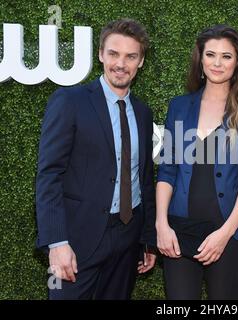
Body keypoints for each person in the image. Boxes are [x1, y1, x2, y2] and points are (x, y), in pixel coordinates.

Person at [36, 18, 156, 300]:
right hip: (77, 240)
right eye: (113, 54)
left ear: (140, 62)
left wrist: (147, 239)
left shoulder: (143, 113)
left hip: (127, 239)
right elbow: (49, 174)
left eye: (131, 56)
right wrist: (57, 242)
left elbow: (145, 178)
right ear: (101, 54)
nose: (120, 64)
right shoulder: (70, 101)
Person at [155, 24, 238, 300]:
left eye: (226, 56)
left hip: (230, 235)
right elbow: (167, 170)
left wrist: (224, 233)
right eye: (211, 55)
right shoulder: (180, 106)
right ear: (200, 59)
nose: (217, 63)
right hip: (178, 232)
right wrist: (161, 224)